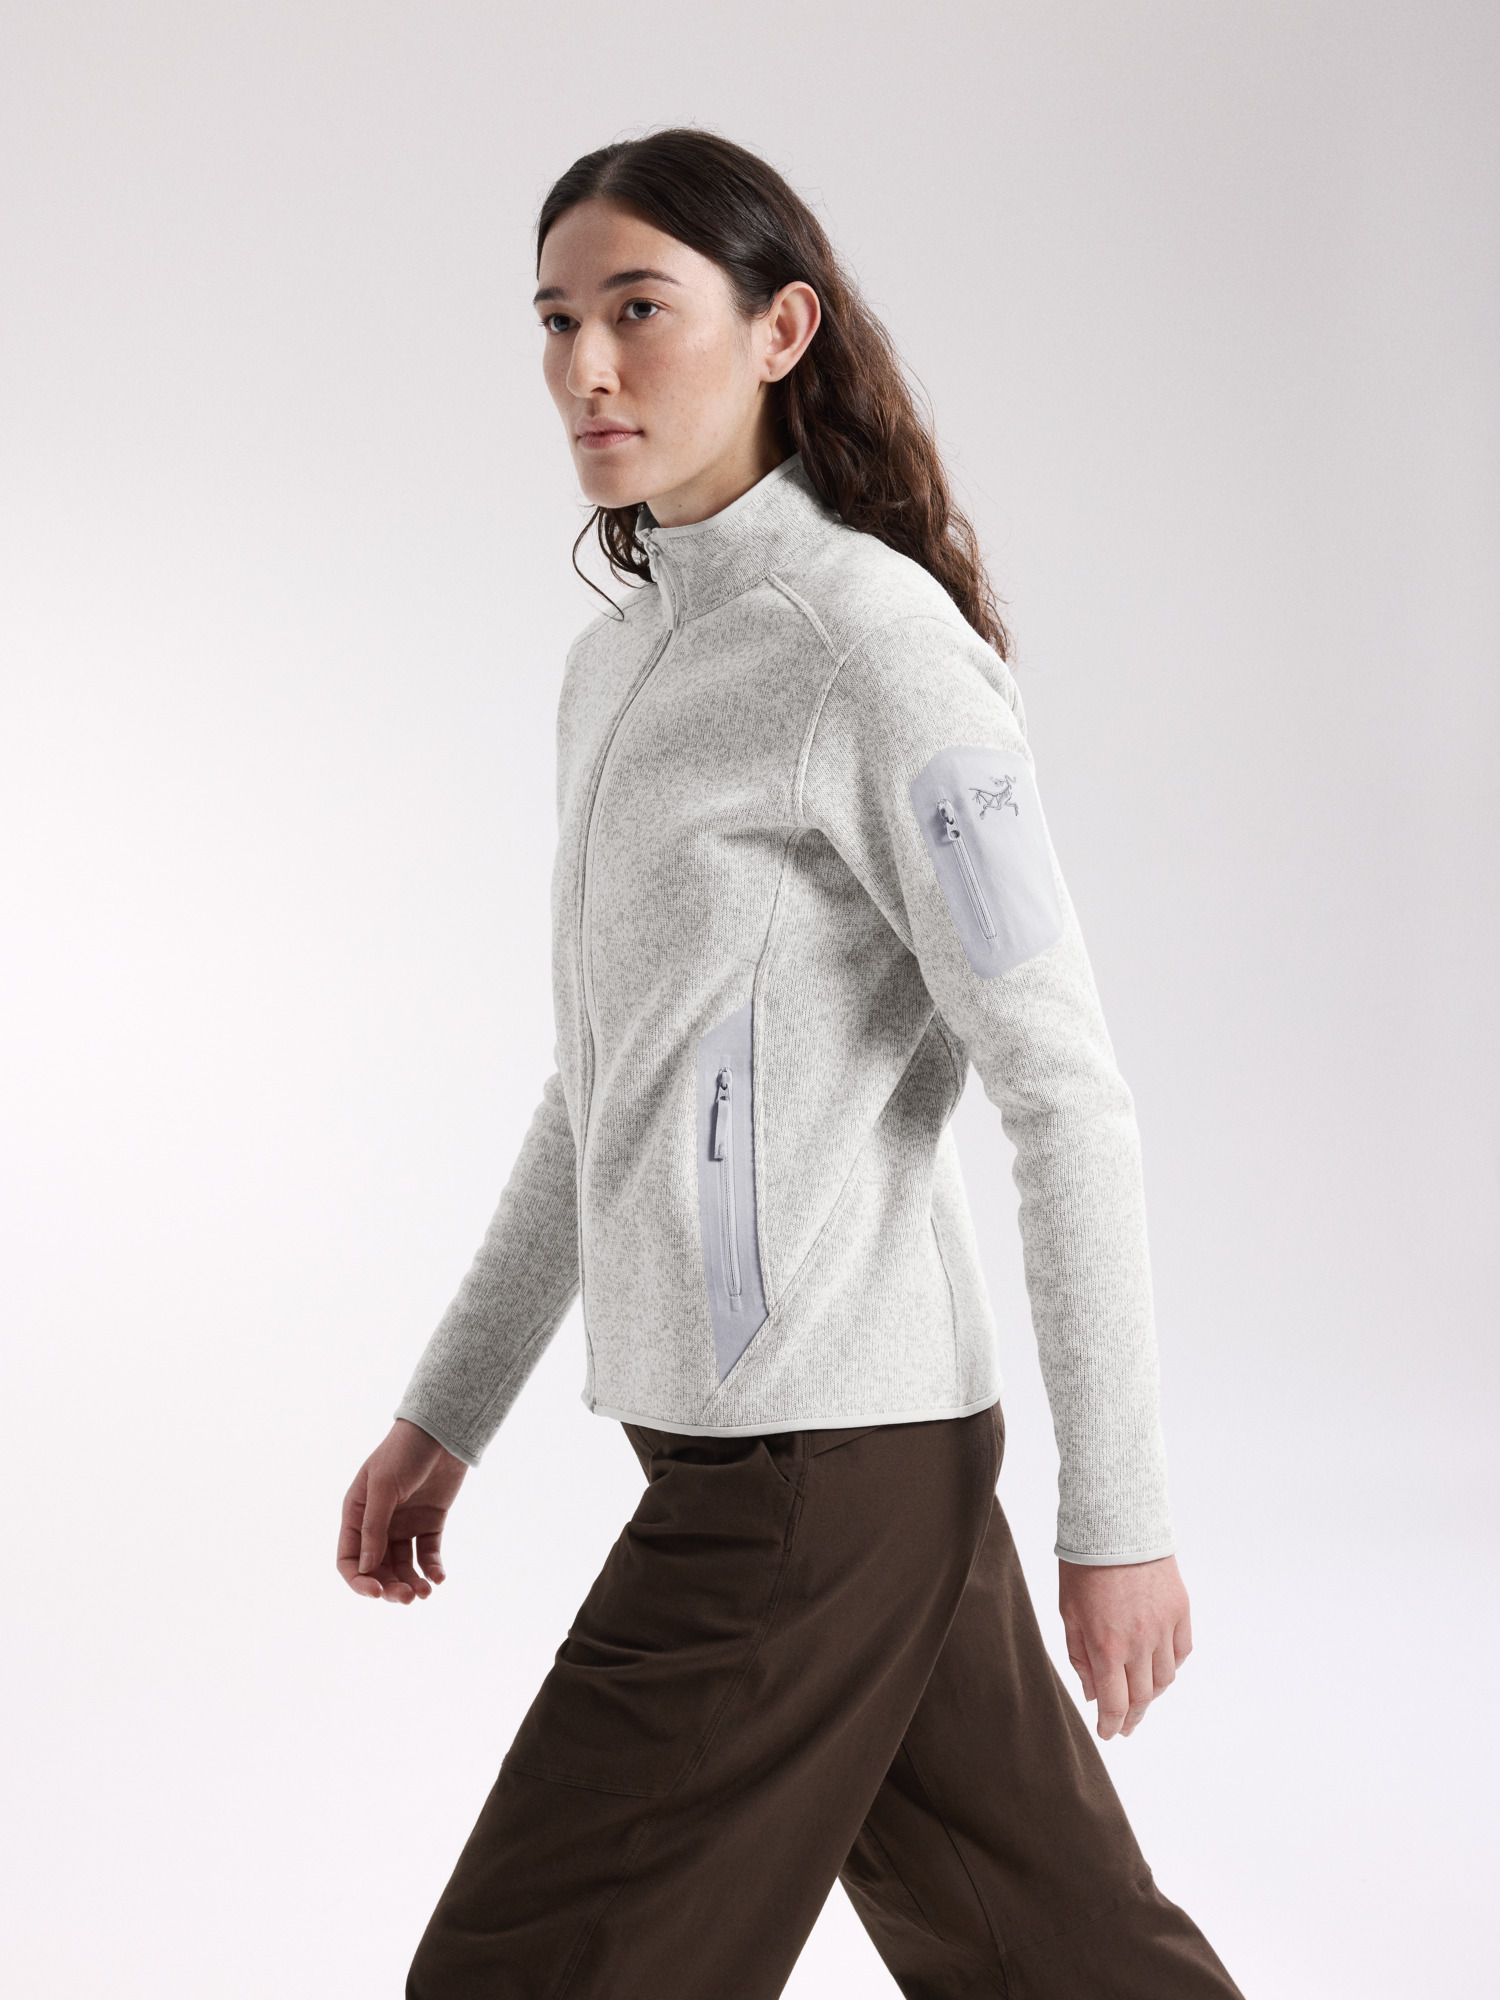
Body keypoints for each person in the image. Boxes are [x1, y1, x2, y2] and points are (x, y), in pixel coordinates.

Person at [337, 128, 1244, 2000]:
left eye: (639, 311)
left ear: (781, 330)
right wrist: (448, 1411)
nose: (587, 368)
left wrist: (1122, 1519)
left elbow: (1065, 1093)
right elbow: (598, 1086)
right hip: (776, 1449)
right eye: (556, 321)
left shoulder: (877, 651)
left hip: (817, 1466)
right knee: (1061, 1959)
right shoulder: (618, 667)